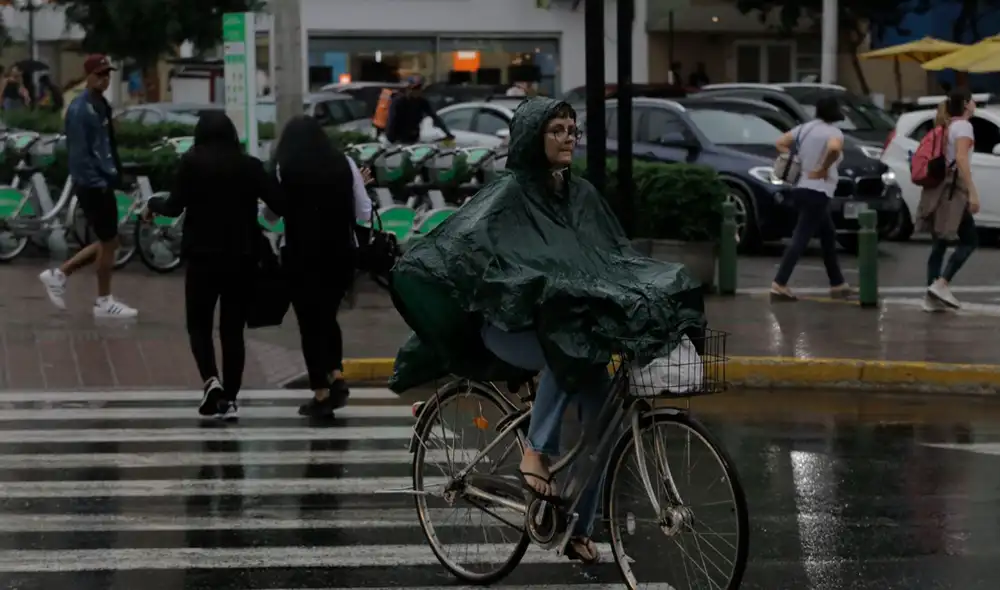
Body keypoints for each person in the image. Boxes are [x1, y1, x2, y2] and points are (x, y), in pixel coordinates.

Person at [388, 98, 706, 564]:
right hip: (507, 327)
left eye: (572, 129)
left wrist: (649, 285)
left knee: (599, 431)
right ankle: (535, 452)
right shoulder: (507, 196)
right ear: (533, 138)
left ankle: (578, 528)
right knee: (568, 350)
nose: (568, 137)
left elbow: (611, 256)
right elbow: (474, 254)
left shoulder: (581, 196)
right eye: (556, 129)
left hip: (567, 324)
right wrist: (529, 285)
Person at [142, 112, 278, 419]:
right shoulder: (249, 167)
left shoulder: (192, 164)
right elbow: (279, 203)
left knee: (199, 326)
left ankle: (210, 381)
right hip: (241, 258)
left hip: (202, 257)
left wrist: (152, 205)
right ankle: (229, 397)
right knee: (232, 331)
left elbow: (173, 206)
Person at [264, 116, 373, 418]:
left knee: (309, 324)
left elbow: (272, 215)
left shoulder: (284, 168)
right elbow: (364, 210)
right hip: (340, 254)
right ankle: (336, 374)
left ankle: (322, 392)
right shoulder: (345, 163)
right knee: (327, 317)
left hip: (300, 255)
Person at [39, 55, 136, 318]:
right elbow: (80, 155)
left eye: (108, 75)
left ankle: (60, 275)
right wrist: (99, 183)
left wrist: (116, 174)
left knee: (110, 241)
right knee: (108, 242)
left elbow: (105, 145)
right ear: (89, 76)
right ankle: (103, 301)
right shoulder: (81, 109)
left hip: (103, 181)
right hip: (93, 185)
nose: (105, 79)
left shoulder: (100, 104)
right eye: (100, 74)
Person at [918, 89, 979, 311]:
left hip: (941, 188)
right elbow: (962, 159)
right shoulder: (964, 126)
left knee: (940, 242)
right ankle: (942, 283)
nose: (975, 103)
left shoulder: (948, 125)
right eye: (972, 99)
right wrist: (972, 191)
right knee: (970, 240)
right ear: (965, 103)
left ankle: (931, 295)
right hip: (955, 190)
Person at [385, 76, 454, 145]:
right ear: (408, 89)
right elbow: (392, 120)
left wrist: (447, 133)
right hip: (398, 140)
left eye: (419, 88)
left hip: (413, 138)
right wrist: (391, 140)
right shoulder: (399, 101)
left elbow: (434, 117)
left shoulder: (421, 102)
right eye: (415, 88)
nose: (418, 91)